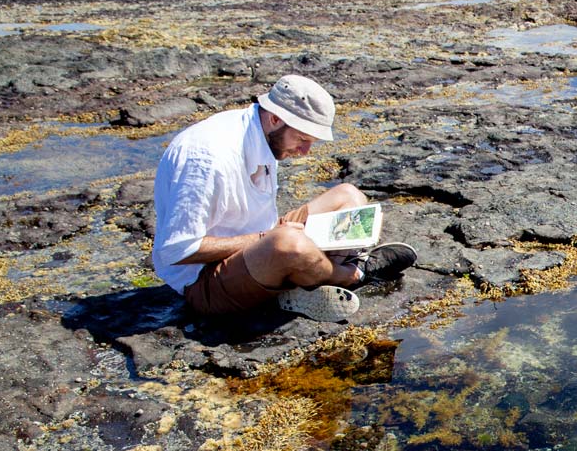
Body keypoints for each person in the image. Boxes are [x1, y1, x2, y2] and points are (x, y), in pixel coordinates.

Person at [151, 74, 415, 321]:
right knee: (288, 243)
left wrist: (269, 238)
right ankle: (352, 275)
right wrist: (265, 240)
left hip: (261, 244)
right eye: (302, 139)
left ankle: (310, 277)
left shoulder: (261, 132)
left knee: (349, 197)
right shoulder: (207, 159)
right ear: (275, 119)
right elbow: (176, 249)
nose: (305, 151)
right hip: (206, 281)